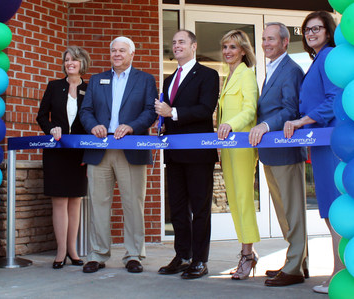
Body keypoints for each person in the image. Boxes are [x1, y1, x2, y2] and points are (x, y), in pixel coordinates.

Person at [79, 36, 157, 274]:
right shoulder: (96, 79)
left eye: (122, 50)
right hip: (100, 149)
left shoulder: (145, 79)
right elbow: (86, 110)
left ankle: (134, 254)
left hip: (130, 148)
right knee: (99, 204)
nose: (117, 54)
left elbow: (149, 112)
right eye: (114, 50)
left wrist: (132, 126)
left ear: (132, 54)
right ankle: (97, 254)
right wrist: (93, 126)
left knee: (133, 204)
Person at [283, 11, 342, 294]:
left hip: (331, 144)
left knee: (336, 210)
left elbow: (334, 99)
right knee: (330, 211)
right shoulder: (317, 60)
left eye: (317, 28)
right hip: (319, 144)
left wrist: (301, 121)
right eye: (306, 30)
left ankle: (339, 274)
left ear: (329, 31)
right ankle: (338, 270)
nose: (310, 33)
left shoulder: (329, 56)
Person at [155, 29, 219, 279]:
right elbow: (167, 113)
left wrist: (173, 113)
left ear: (194, 46)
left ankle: (200, 260)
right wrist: (161, 121)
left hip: (198, 152)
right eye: (174, 42)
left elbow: (205, 109)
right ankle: (182, 255)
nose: (176, 45)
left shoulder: (208, 74)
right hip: (173, 152)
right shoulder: (169, 79)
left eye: (182, 41)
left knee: (200, 208)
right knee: (178, 207)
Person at [249, 22, 309, 287]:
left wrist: (265, 125)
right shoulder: (271, 70)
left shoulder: (291, 70)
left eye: (271, 39)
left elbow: (290, 109)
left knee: (293, 213)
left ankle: (294, 267)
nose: (265, 43)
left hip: (286, 151)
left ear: (285, 42)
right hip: (270, 152)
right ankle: (297, 263)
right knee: (284, 213)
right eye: (263, 39)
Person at [36, 46, 91, 269]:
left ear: (82, 64)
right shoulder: (53, 86)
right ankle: (60, 253)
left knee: (75, 202)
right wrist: (51, 129)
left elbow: (93, 119)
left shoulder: (90, 89)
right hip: (56, 152)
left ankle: (73, 251)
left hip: (79, 152)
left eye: (74, 60)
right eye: (67, 60)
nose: (70, 63)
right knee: (59, 202)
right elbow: (41, 116)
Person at [216, 29, 260, 280]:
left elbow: (249, 109)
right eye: (225, 47)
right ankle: (245, 252)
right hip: (228, 148)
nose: (227, 52)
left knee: (243, 200)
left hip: (242, 146)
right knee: (234, 200)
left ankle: (248, 254)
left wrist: (231, 124)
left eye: (233, 47)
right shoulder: (228, 76)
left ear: (243, 50)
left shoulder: (246, 75)